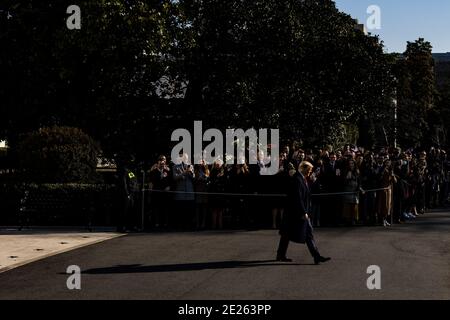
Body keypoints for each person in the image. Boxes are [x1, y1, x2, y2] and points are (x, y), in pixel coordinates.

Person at [276, 161, 331, 265]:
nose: (311, 171)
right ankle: (281, 255)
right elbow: (298, 198)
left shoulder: (302, 179)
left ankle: (316, 256)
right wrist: (303, 212)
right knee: (287, 234)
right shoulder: (297, 179)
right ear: (304, 168)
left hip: (295, 213)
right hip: (295, 213)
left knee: (303, 234)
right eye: (309, 169)